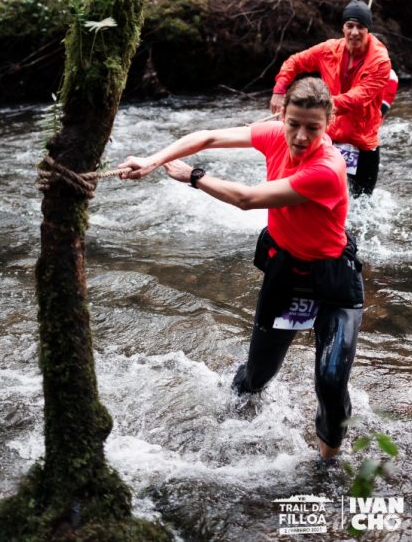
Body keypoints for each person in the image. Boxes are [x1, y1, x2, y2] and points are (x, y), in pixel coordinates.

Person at [118, 77, 362, 461]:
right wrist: (152, 161)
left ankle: (327, 463)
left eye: (312, 128)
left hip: (333, 280)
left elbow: (248, 199)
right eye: (293, 124)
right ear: (282, 115)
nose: (300, 136)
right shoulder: (274, 135)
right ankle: (228, 423)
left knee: (331, 382)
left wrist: (194, 177)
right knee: (255, 377)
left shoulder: (327, 169)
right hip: (286, 274)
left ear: (327, 123)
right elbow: (208, 137)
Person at [270, 1, 391, 198]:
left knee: (362, 205)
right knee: (314, 194)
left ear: (368, 29)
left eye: (360, 27)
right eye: (349, 26)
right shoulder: (328, 49)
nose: (354, 32)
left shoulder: (380, 61)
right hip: (328, 135)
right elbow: (295, 62)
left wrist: (313, 107)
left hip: (362, 141)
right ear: (342, 27)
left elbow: (357, 99)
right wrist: (280, 89)